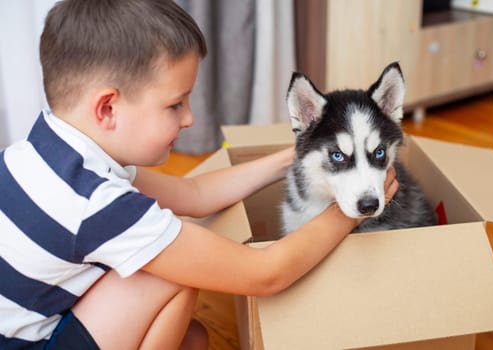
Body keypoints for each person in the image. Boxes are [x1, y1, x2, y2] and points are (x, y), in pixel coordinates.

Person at [0, 0, 399, 349]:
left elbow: (193, 193)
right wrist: (351, 208)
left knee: (193, 339)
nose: (190, 118)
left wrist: (306, 152)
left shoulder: (46, 148)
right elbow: (266, 273)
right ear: (108, 108)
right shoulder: (98, 205)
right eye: (175, 104)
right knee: (169, 273)